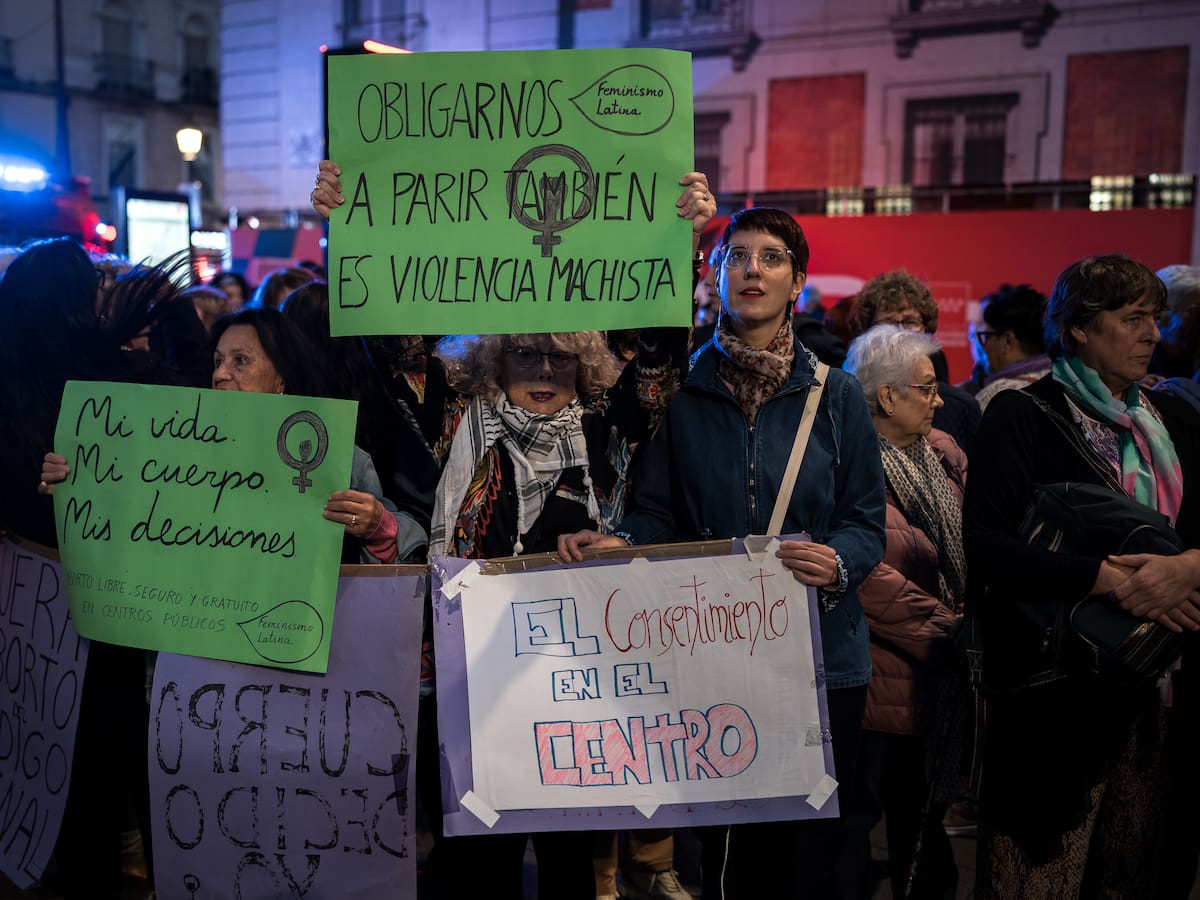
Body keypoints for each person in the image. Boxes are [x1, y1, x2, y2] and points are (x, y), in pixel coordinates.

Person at [312, 158, 716, 899]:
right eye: (525, 352)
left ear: (585, 363)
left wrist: (678, 244)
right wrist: (349, 228)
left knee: (568, 873)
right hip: (470, 686)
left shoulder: (605, 432)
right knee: (473, 871)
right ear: (497, 359)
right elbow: (389, 336)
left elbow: (656, 359)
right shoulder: (458, 424)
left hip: (575, 695)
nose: (543, 368)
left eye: (561, 355)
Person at [560, 206, 887, 900]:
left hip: (820, 656)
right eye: (736, 255)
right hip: (712, 653)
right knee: (724, 850)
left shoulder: (838, 396)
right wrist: (625, 543)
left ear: (796, 279)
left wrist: (838, 561)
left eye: (771, 257)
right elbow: (656, 510)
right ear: (714, 276)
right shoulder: (680, 391)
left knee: (814, 853)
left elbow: (865, 522)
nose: (753, 269)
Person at [962, 254, 1200, 898]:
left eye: (1156, 319)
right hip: (1054, 697)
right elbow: (984, 549)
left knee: (1130, 879)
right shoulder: (1023, 415)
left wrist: (1187, 568)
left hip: (1155, 693)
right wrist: (1105, 578)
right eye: (1132, 319)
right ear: (1079, 330)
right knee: (1037, 881)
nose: (1153, 334)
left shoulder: (1174, 422)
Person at [0, 238, 209, 900]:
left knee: (51, 764)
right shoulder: (112, 377)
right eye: (92, 287)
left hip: (29, 615)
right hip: (111, 609)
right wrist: (173, 314)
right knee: (118, 757)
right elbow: (203, 403)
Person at [43, 308, 425, 565]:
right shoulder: (171, 453)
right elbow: (124, 526)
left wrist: (380, 528)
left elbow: (399, 558)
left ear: (281, 379)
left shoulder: (335, 456)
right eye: (218, 362)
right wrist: (77, 483)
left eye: (240, 361)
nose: (221, 374)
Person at [843, 325, 966, 900]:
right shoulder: (846, 460)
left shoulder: (944, 459)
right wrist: (949, 631)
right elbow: (864, 575)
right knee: (855, 832)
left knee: (923, 837)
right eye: (928, 387)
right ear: (887, 397)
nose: (939, 400)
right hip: (876, 684)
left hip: (936, 683)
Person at [853, 269, 981, 452]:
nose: (900, 333)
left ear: (927, 328)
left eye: (910, 322)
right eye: (888, 324)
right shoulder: (851, 400)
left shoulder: (961, 407)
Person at [971, 284, 1050, 412]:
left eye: (986, 336)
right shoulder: (1065, 386)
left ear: (1007, 342)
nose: (983, 346)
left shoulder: (996, 395)